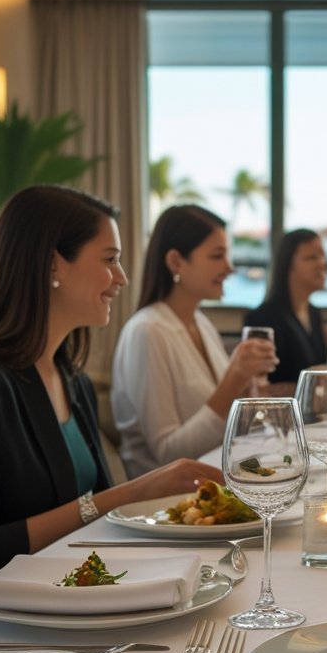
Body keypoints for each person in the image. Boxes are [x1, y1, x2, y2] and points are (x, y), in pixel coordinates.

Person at [0, 186, 222, 652]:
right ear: (53, 265)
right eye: (109, 259)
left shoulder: (69, 378)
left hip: (51, 616)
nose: (121, 278)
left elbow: (91, 532)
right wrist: (127, 494)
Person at [111, 204, 277, 478]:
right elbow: (168, 455)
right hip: (167, 497)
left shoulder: (201, 323)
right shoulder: (147, 331)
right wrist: (233, 380)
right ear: (176, 262)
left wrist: (250, 387)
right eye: (217, 256)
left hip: (217, 478)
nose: (229, 268)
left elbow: (231, 429)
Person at [243, 228, 327, 387]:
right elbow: (258, 387)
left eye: (322, 256)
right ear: (287, 264)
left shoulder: (314, 313)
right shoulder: (262, 318)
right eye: (312, 258)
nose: (322, 264)